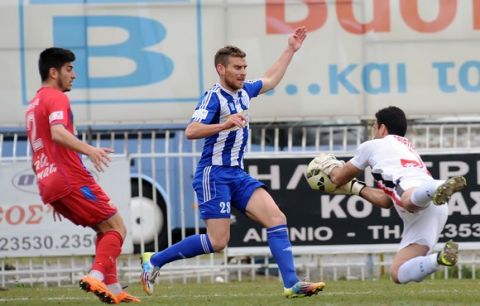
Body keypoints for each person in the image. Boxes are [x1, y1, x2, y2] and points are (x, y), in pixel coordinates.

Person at [141, 26, 325, 298]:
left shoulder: (244, 92)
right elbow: (191, 130)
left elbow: (271, 79)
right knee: (218, 242)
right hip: (213, 174)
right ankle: (155, 260)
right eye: (237, 67)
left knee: (276, 218)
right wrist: (224, 124)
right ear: (221, 69)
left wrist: (290, 49)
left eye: (244, 66)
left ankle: (291, 284)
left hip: (237, 174)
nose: (242, 72)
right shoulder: (213, 97)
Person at [25, 47, 139, 304]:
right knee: (117, 228)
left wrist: (50, 187)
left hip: (50, 182)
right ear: (53, 72)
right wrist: (91, 150)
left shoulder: (33, 104)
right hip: (70, 178)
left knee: (103, 229)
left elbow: (35, 151)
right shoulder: (56, 98)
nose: (74, 75)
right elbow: (57, 132)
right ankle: (95, 275)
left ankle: (115, 289)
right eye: (69, 69)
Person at [307, 105, 466, 284]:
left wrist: (329, 166)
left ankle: (440, 186)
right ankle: (439, 258)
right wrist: (354, 188)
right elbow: (386, 201)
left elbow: (337, 177)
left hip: (413, 192)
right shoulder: (407, 148)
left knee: (407, 200)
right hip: (432, 204)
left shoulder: (372, 145)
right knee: (397, 272)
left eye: (374, 127)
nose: (373, 131)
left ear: (382, 128)